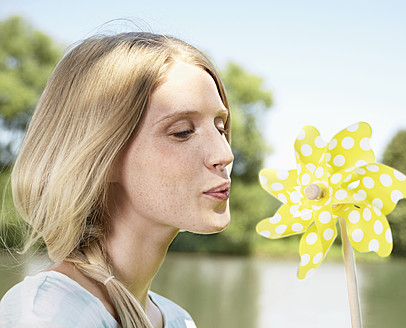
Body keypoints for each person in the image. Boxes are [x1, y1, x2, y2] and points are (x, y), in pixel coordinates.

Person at [0, 32, 234, 328]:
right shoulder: (46, 312)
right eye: (183, 132)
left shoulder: (179, 320)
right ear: (101, 157)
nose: (224, 154)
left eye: (220, 127)